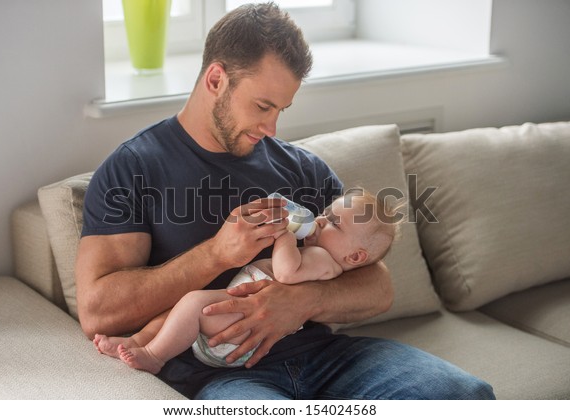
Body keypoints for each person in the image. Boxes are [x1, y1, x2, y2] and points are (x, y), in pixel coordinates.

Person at [75, 2, 495, 399]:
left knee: (465, 396)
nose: (272, 128)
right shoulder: (134, 170)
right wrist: (217, 254)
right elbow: (98, 314)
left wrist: (301, 300)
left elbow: (377, 285)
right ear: (216, 80)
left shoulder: (301, 169)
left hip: (328, 359)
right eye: (262, 106)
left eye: (282, 109)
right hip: (225, 374)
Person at [92, 190, 399, 373]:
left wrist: (285, 237)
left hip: (241, 333)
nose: (319, 220)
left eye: (333, 222)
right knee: (182, 309)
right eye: (326, 213)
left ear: (355, 257)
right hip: (235, 325)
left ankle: (154, 356)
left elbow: (286, 274)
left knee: (192, 304)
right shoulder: (322, 252)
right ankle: (135, 341)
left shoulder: (323, 260)